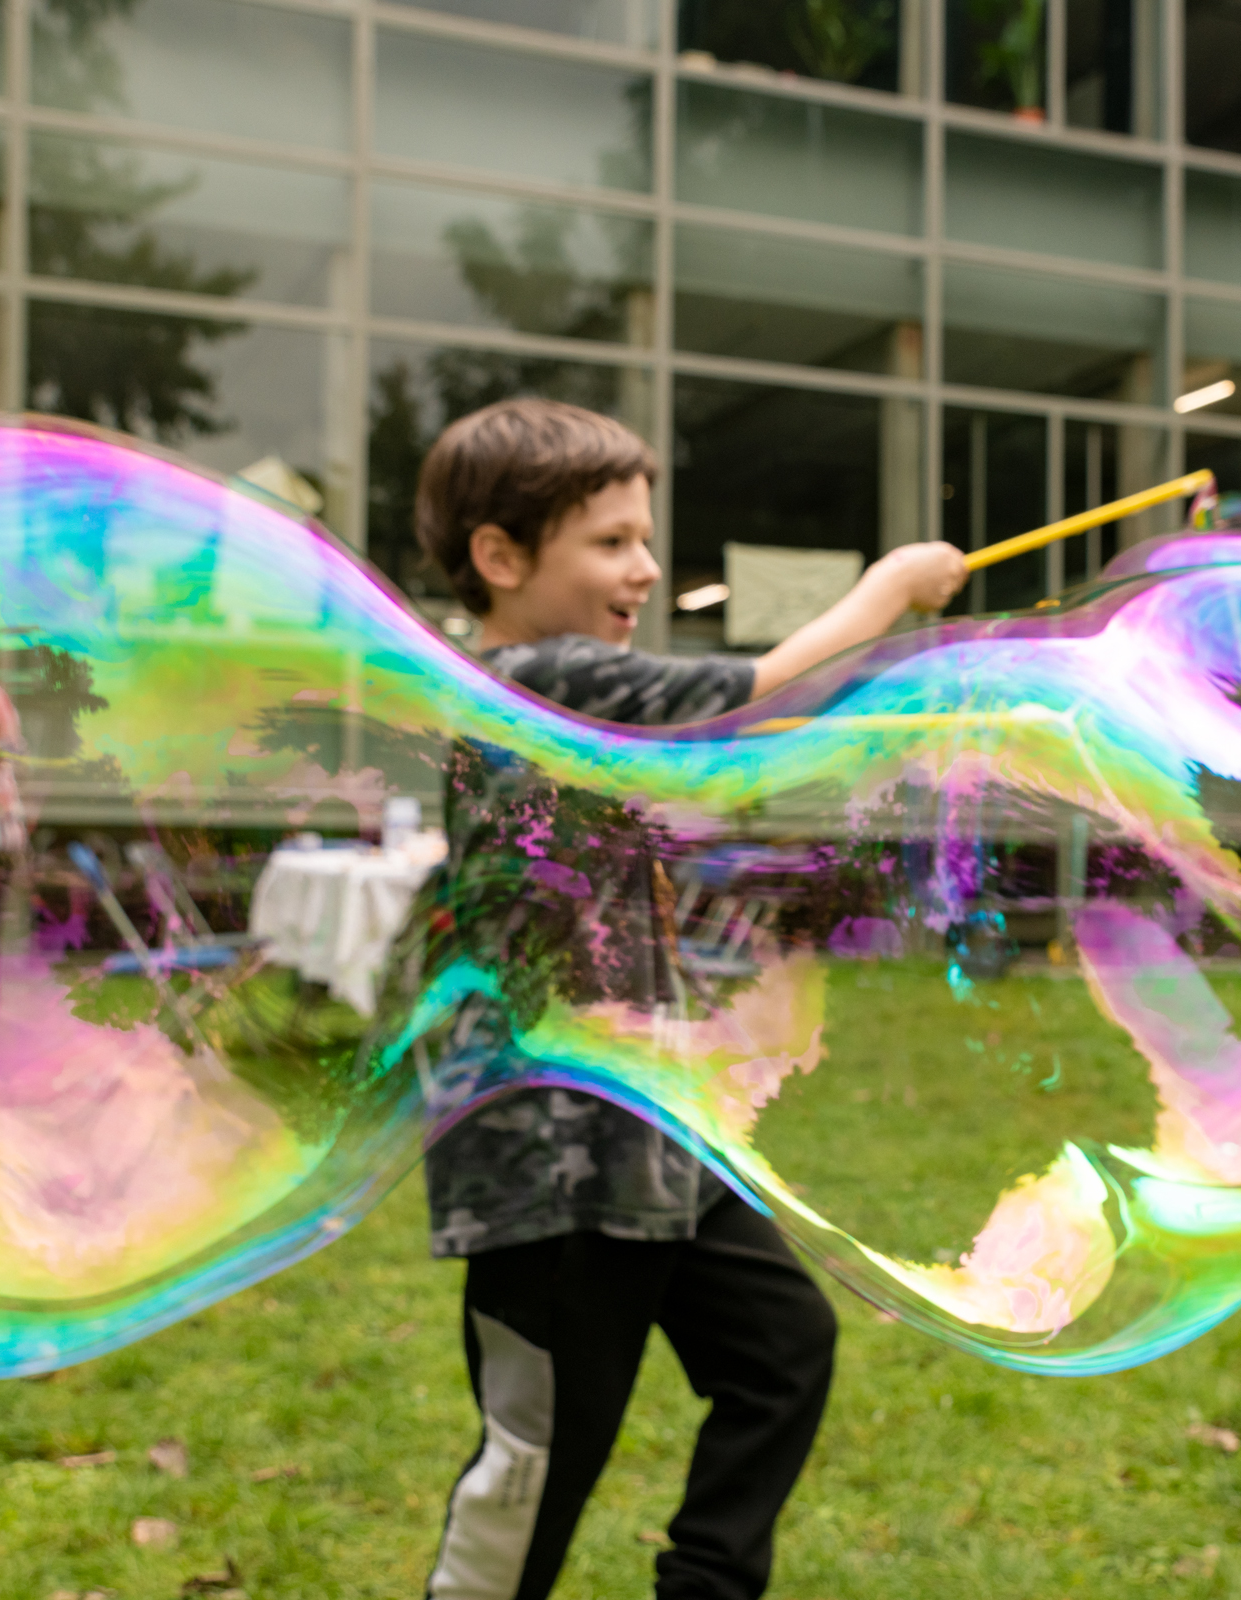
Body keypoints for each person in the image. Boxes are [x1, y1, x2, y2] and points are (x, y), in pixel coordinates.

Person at [408, 397, 967, 1600]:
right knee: (542, 1459)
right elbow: (750, 696)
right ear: (501, 557)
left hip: (651, 1130)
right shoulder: (532, 678)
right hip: (550, 1162)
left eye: (645, 539)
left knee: (781, 1348)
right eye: (609, 541)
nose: (646, 569)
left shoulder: (576, 710)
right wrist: (888, 590)